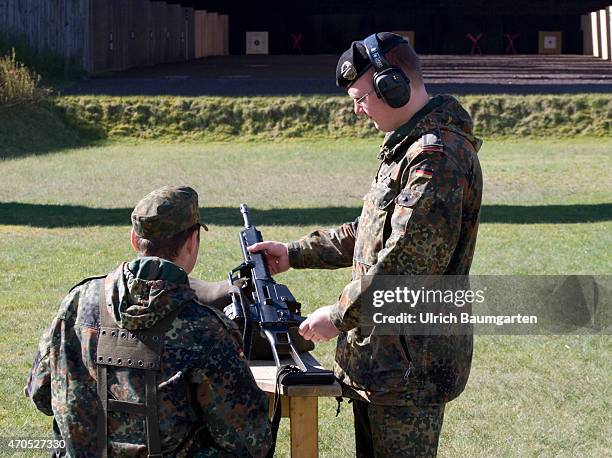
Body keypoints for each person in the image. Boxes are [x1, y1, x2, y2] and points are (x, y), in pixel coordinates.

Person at [249, 32, 483, 457]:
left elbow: (405, 265)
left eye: (361, 97)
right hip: (385, 361)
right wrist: (295, 253)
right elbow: (371, 229)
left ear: (394, 86)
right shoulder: (409, 148)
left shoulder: (436, 158)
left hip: (410, 367)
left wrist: (338, 316)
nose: (357, 110)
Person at [26, 185, 272, 457]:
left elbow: (41, 394)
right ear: (192, 242)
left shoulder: (76, 303)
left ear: (134, 239)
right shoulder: (206, 329)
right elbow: (252, 441)